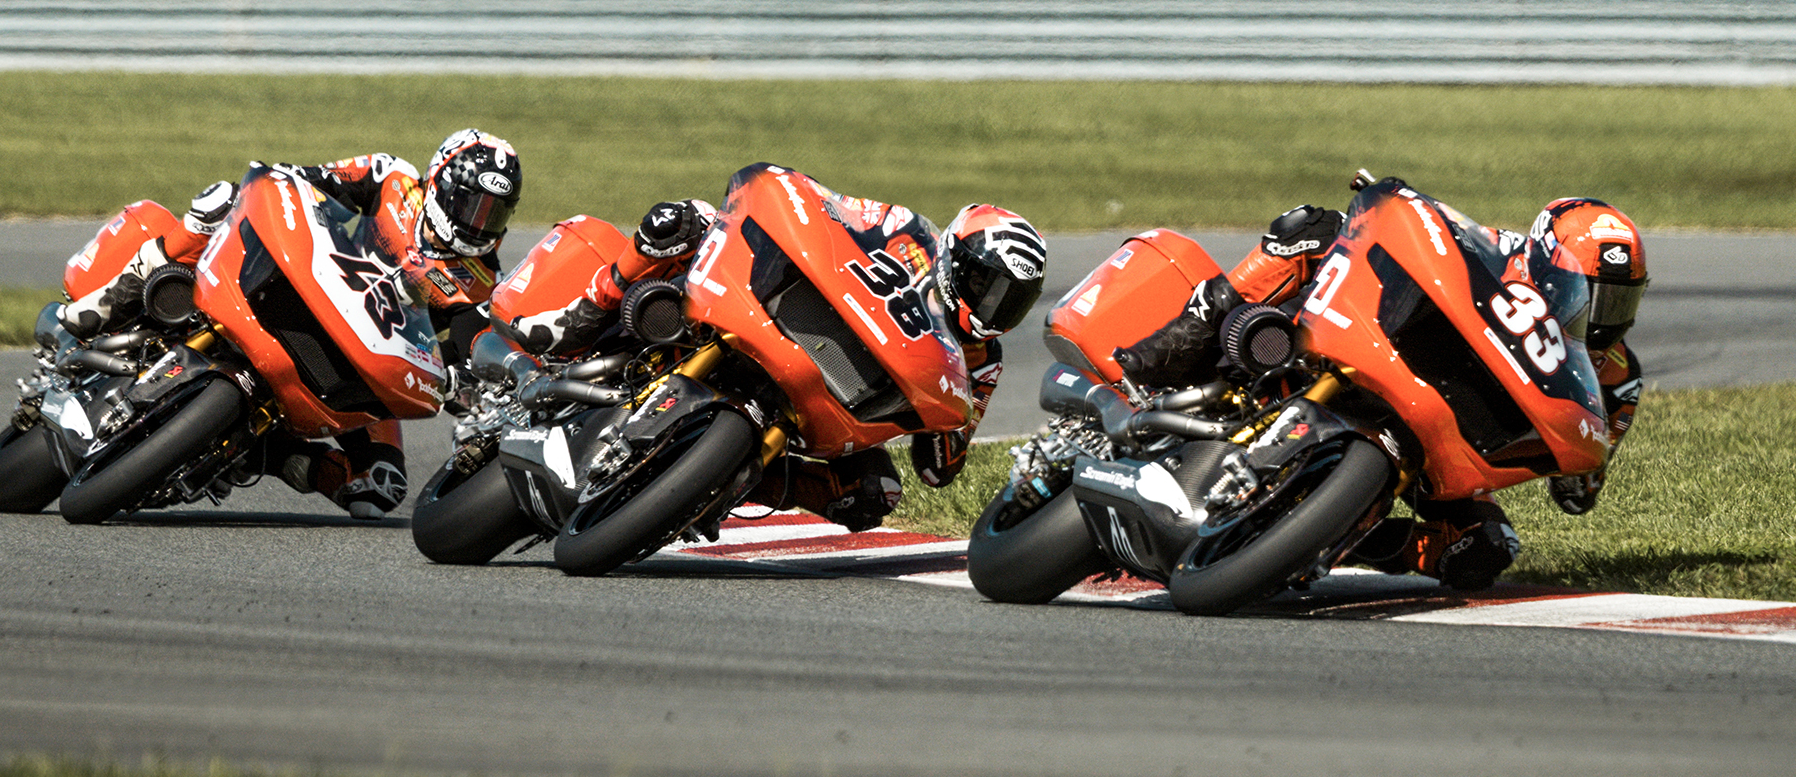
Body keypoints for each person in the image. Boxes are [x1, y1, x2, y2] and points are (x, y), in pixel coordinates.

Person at [1112, 191, 1647, 590]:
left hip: (1446, 444)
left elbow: (1579, 491)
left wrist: (1581, 457)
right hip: (1376, 354)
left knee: (1481, 553)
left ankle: (1330, 533)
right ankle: (1173, 348)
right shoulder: (1500, 252)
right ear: (1545, 264)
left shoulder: (1616, 377)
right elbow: (1411, 228)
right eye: (1590, 294)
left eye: (1619, 303)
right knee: (1309, 229)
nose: (1602, 318)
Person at [509, 190, 1049, 532]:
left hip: (828, 406)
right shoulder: (907, 231)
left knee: (874, 494)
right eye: (987, 284)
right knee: (684, 219)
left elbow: (939, 468)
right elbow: (827, 207)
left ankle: (719, 484)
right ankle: (585, 312)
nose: (993, 305)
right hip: (786, 322)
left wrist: (950, 416)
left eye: (1013, 300)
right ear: (957, 256)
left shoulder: (981, 358)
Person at [58, 129, 522, 519]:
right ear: (439, 182)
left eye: (493, 214)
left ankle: (257, 452)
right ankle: (103, 305)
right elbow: (307, 182)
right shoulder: (392, 178)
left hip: (353, 354)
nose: (477, 224)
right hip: (299, 281)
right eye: (469, 205)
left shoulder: (481, 283)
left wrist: (459, 382)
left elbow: (466, 356)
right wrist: (279, 189)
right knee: (218, 203)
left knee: (379, 489)